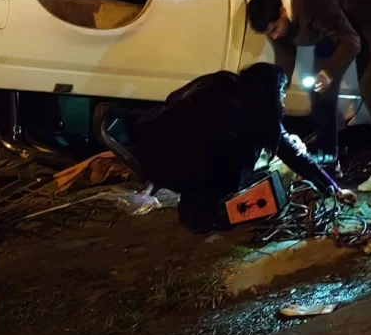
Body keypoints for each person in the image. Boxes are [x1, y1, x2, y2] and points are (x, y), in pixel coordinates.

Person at [132, 63, 356, 233]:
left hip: (148, 150)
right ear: (268, 92)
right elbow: (291, 153)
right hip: (174, 163)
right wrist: (334, 188)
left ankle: (195, 205)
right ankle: (201, 215)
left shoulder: (223, 82)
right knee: (241, 160)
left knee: (237, 153)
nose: (283, 98)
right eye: (280, 92)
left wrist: (332, 187)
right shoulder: (245, 113)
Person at [247, 0, 371, 192]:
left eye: (274, 29)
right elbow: (283, 64)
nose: (273, 37)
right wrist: (275, 100)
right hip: (331, 26)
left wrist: (329, 72)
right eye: (268, 33)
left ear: (283, 11)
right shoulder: (274, 17)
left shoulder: (312, 3)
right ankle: (329, 163)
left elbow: (350, 41)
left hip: (367, 13)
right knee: (320, 93)